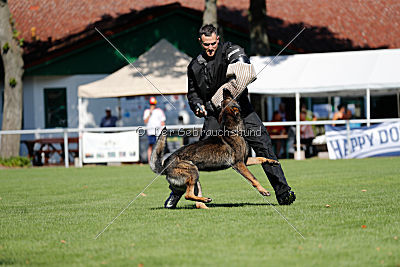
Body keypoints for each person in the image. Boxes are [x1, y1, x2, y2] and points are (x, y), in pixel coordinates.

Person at [164, 24, 295, 208]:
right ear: (200, 42)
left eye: (213, 43)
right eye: (206, 44)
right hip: (214, 115)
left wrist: (240, 60)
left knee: (264, 144)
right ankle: (179, 192)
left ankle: (283, 192)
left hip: (240, 110)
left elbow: (243, 66)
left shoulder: (229, 51)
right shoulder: (194, 66)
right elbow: (192, 93)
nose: (210, 48)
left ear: (218, 39)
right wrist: (197, 105)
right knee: (194, 155)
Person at [143, 96, 166, 163]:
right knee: (150, 146)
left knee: (158, 146)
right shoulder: (147, 111)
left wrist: (163, 132)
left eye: (153, 104)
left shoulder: (159, 111)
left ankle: (158, 160)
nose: (152, 105)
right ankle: (149, 161)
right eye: (151, 104)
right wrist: (150, 113)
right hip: (150, 132)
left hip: (158, 132)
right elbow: (145, 121)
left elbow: (162, 122)